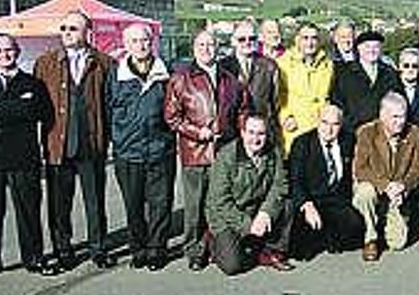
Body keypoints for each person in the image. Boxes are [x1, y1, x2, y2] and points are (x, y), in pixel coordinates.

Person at [34, 11, 115, 271]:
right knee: (59, 205)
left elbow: (111, 105)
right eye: (64, 28)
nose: (67, 32)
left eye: (73, 28)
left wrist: (108, 138)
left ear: (87, 32)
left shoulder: (104, 63)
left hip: (92, 145)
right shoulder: (45, 63)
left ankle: (98, 248)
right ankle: (63, 249)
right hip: (58, 145)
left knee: (95, 202)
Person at [164, 30, 250, 271]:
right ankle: (193, 249)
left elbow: (242, 110)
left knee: (221, 202)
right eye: (201, 44)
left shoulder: (230, 80)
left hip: (224, 152)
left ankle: (217, 245)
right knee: (195, 205)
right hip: (195, 152)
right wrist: (196, 132)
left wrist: (241, 134)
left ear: (218, 48)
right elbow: (172, 117)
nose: (206, 49)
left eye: (211, 44)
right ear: (193, 48)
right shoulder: (181, 79)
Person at [107, 24, 176, 271]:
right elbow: (108, 111)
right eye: (135, 41)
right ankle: (138, 249)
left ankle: (157, 249)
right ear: (126, 45)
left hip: (160, 149)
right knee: (133, 204)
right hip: (128, 153)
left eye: (145, 40)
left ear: (152, 42)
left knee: (160, 204)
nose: (141, 45)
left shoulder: (166, 72)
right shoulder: (116, 75)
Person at [0, 33, 52, 276]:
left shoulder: (33, 84)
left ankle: (34, 257)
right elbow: (22, 111)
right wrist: (17, 108)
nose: (5, 55)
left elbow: (40, 113)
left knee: (28, 211)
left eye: (9, 50)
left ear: (18, 51)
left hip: (24, 158)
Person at [205, 113, 294, 275]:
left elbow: (280, 185)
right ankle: (212, 241)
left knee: (287, 204)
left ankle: (271, 251)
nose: (256, 139)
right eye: (251, 133)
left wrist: (266, 212)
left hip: (257, 208)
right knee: (232, 266)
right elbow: (220, 201)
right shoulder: (226, 156)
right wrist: (248, 225)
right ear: (243, 133)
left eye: (261, 133)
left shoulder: (274, 152)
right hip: (226, 215)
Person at [352, 92, 419, 262]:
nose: (400, 121)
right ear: (382, 115)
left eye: (403, 116)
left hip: (397, 192)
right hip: (373, 185)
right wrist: (386, 186)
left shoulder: (414, 132)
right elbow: (360, 169)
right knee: (365, 192)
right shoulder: (367, 133)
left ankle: (384, 216)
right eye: (395, 117)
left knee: (397, 243)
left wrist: (403, 186)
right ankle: (370, 238)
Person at [288, 104, 363, 256]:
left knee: (356, 229)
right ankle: (325, 237)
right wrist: (306, 205)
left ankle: (328, 236)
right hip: (312, 201)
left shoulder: (348, 141)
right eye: (324, 122)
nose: (329, 129)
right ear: (317, 121)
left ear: (341, 125)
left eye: (335, 124)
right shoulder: (302, 143)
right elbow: (295, 180)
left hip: (336, 201)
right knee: (300, 250)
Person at [276, 22, 334, 154]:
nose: (310, 43)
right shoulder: (282, 63)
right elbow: (277, 95)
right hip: (294, 127)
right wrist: (285, 117)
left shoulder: (327, 65)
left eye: (314, 38)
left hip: (319, 128)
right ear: (297, 40)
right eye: (305, 38)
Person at [330, 30, 402, 132]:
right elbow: (337, 102)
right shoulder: (344, 73)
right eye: (367, 46)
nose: (372, 50)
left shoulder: (390, 73)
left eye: (376, 47)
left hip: (383, 132)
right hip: (352, 131)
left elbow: (397, 101)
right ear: (359, 48)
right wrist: (350, 125)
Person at [219, 20, 280, 139]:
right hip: (231, 131)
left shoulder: (269, 66)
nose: (247, 42)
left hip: (260, 131)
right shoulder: (223, 67)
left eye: (251, 38)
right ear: (233, 41)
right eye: (242, 39)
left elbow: (275, 102)